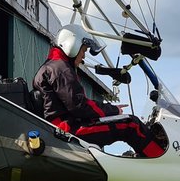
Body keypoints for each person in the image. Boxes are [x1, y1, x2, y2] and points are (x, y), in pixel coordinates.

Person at [33, 24, 165, 158]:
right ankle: (160, 159)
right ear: (73, 45)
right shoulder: (61, 69)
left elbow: (78, 104)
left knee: (124, 121)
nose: (83, 56)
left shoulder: (54, 66)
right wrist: (113, 110)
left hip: (66, 125)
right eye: (84, 50)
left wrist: (109, 110)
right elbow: (79, 106)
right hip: (68, 129)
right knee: (131, 124)